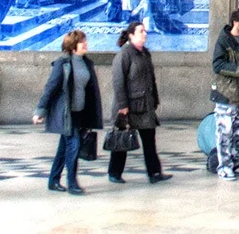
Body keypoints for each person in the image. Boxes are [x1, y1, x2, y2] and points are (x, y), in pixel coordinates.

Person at [32, 30, 103, 196]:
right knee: (74, 145)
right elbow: (51, 88)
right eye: (82, 42)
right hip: (66, 113)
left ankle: (53, 180)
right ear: (72, 45)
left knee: (64, 148)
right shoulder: (62, 63)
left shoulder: (87, 63)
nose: (85, 44)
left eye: (85, 41)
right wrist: (40, 110)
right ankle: (72, 183)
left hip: (80, 112)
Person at [108, 21, 171, 185]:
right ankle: (114, 172)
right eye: (141, 31)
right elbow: (118, 82)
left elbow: (151, 79)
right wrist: (123, 105)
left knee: (150, 140)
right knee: (122, 140)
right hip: (128, 106)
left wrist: (155, 99)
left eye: (145, 31)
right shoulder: (124, 54)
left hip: (145, 105)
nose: (145, 34)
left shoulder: (145, 54)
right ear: (131, 35)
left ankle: (154, 172)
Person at [210, 8, 239, 181]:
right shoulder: (224, 40)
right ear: (235, 22)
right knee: (225, 132)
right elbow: (217, 64)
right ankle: (224, 166)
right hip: (227, 94)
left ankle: (236, 163)